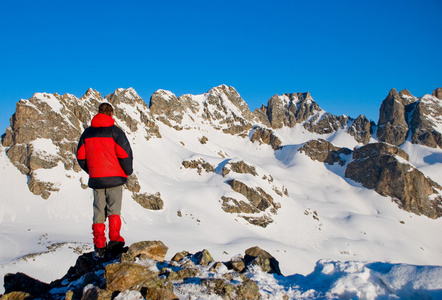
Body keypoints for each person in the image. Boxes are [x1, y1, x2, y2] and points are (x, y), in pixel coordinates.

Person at [76, 102, 133, 259]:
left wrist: (92, 170)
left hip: (97, 180)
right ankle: (114, 243)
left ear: (98, 113)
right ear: (111, 114)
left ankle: (99, 247)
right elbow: (125, 154)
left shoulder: (87, 134)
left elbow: (80, 156)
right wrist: (127, 171)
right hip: (115, 179)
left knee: (98, 212)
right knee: (114, 210)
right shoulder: (115, 132)